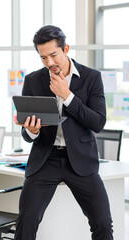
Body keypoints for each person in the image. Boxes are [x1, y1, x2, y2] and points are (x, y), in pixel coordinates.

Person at [14, 25, 113, 240]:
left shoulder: (91, 77)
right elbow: (26, 134)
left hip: (81, 161)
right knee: (26, 220)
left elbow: (98, 122)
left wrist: (67, 95)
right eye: (43, 58)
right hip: (45, 159)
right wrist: (31, 131)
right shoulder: (33, 80)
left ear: (65, 48)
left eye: (53, 55)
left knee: (103, 223)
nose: (49, 63)